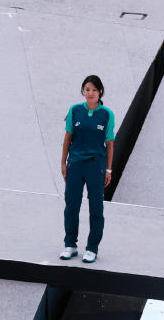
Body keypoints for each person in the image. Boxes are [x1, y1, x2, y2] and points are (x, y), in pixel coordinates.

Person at [60, 75, 115, 264]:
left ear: (100, 92)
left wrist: (109, 170)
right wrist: (63, 163)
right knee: (71, 206)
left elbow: (110, 144)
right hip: (75, 164)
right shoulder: (75, 111)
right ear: (83, 91)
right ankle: (70, 245)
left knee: (96, 208)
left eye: (93, 89)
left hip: (96, 166)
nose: (90, 93)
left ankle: (92, 248)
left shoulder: (107, 114)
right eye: (86, 89)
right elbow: (67, 138)